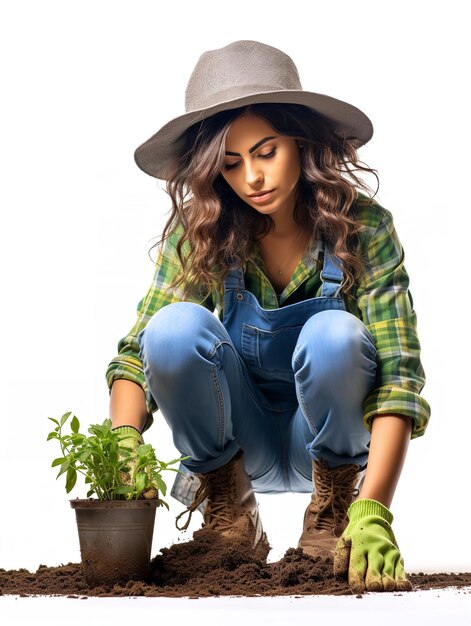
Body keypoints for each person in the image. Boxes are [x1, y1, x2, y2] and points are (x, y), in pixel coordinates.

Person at [106, 40, 430, 594]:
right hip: (235, 439)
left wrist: (375, 508)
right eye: (231, 164)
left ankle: (332, 517)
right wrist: (122, 444)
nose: (252, 177)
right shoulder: (204, 230)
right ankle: (232, 517)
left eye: (266, 151)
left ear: (301, 141)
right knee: (173, 329)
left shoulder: (364, 226)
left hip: (329, 443)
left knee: (335, 334)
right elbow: (139, 352)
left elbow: (399, 379)